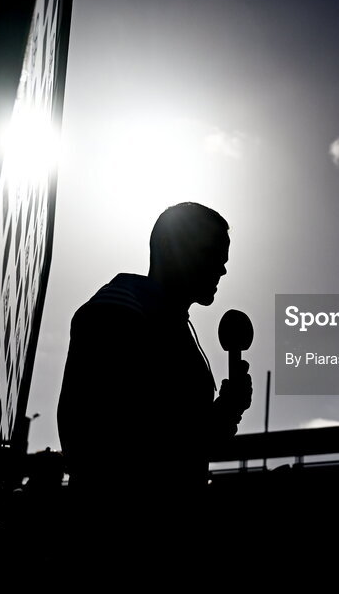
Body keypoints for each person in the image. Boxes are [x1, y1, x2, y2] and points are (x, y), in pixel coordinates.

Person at [57, 202, 252, 565]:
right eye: (214, 254)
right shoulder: (119, 312)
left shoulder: (175, 325)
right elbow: (98, 438)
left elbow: (186, 440)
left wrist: (226, 411)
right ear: (174, 247)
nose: (223, 268)